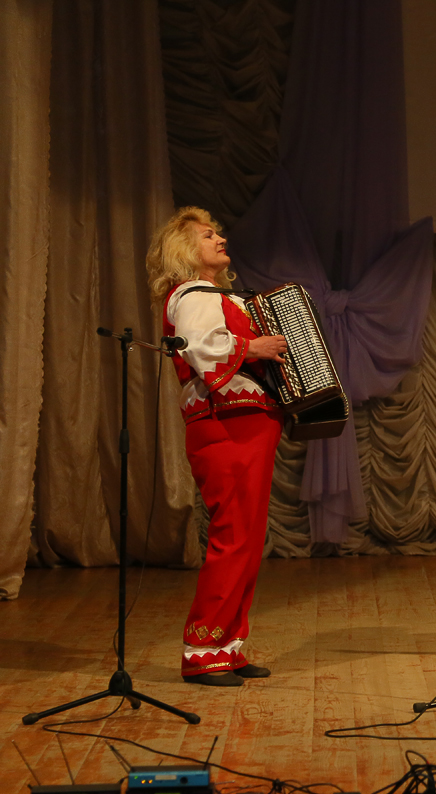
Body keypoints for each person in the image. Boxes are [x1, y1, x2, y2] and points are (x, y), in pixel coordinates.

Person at [146, 207, 288, 687]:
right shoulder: (193, 294)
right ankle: (202, 652)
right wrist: (255, 348)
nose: (220, 239)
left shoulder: (219, 296)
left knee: (247, 537)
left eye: (219, 232)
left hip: (245, 422)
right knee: (234, 536)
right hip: (225, 424)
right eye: (208, 235)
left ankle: (226, 647)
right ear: (185, 250)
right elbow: (201, 347)